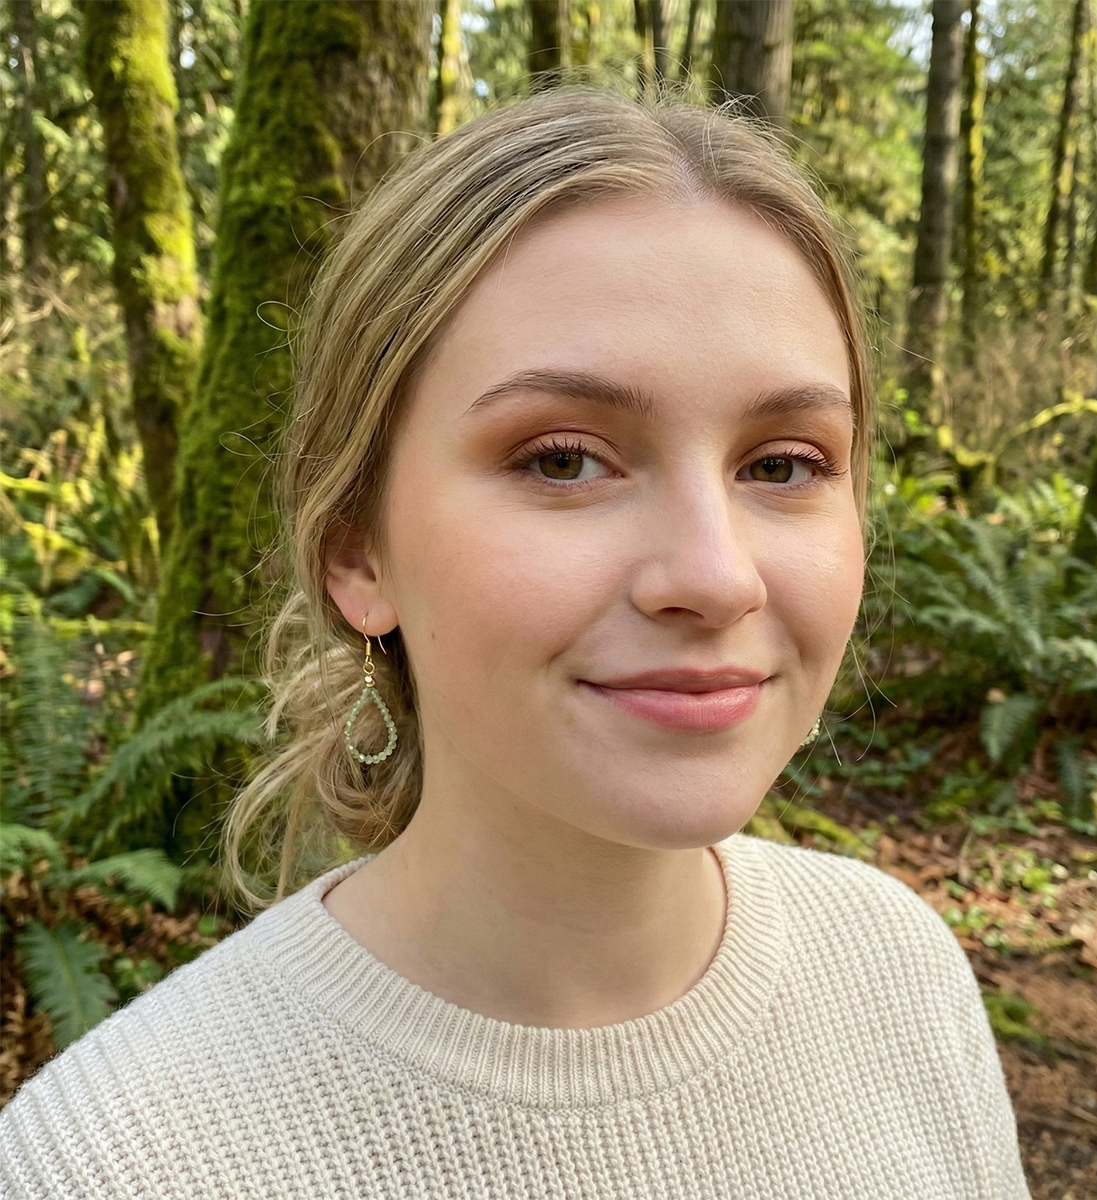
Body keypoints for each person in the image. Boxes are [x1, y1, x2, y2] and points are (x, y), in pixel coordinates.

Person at [0, 89, 1030, 1199]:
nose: (716, 576)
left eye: (783, 464)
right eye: (563, 459)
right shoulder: (114, 1163)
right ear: (356, 550)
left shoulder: (898, 974)